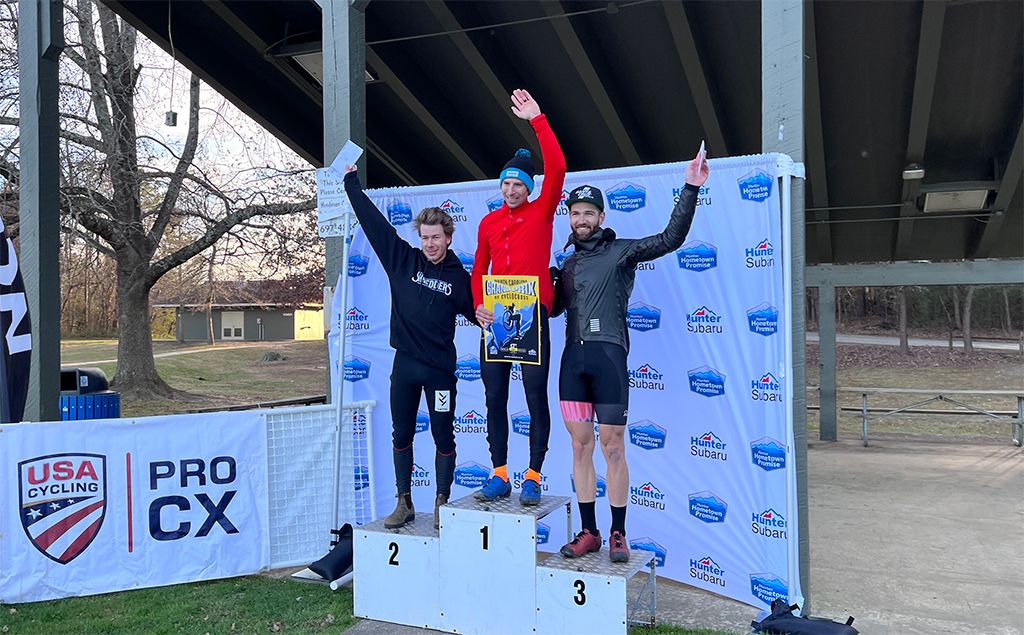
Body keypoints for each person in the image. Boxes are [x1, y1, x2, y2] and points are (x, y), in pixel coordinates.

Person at [553, 148, 710, 562]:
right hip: (572, 360)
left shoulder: (621, 251)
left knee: (614, 447)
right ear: (569, 218)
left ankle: (618, 533)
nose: (581, 219)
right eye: (575, 213)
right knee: (580, 448)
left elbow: (669, 239)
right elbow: (549, 308)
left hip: (609, 359)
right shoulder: (565, 264)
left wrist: (690, 188)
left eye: (589, 213)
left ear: (601, 217)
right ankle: (588, 532)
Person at [343, 165, 476, 530]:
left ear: (449, 238)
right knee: (401, 432)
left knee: (442, 433)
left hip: (439, 372)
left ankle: (443, 502)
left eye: (437, 237)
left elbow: (482, 314)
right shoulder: (404, 260)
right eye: (426, 237)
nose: (431, 244)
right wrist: (351, 183)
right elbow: (374, 224)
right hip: (405, 366)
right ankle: (404, 501)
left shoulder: (460, 280)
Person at [472, 89, 566, 506]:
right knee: (494, 396)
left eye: (519, 184)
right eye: (506, 183)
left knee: (533, 395)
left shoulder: (542, 210)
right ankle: (499, 472)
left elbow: (558, 167)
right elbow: (478, 270)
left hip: (533, 317)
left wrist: (537, 121)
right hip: (496, 321)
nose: (512, 189)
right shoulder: (489, 221)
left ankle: (533, 474)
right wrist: (479, 305)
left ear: (529, 188)